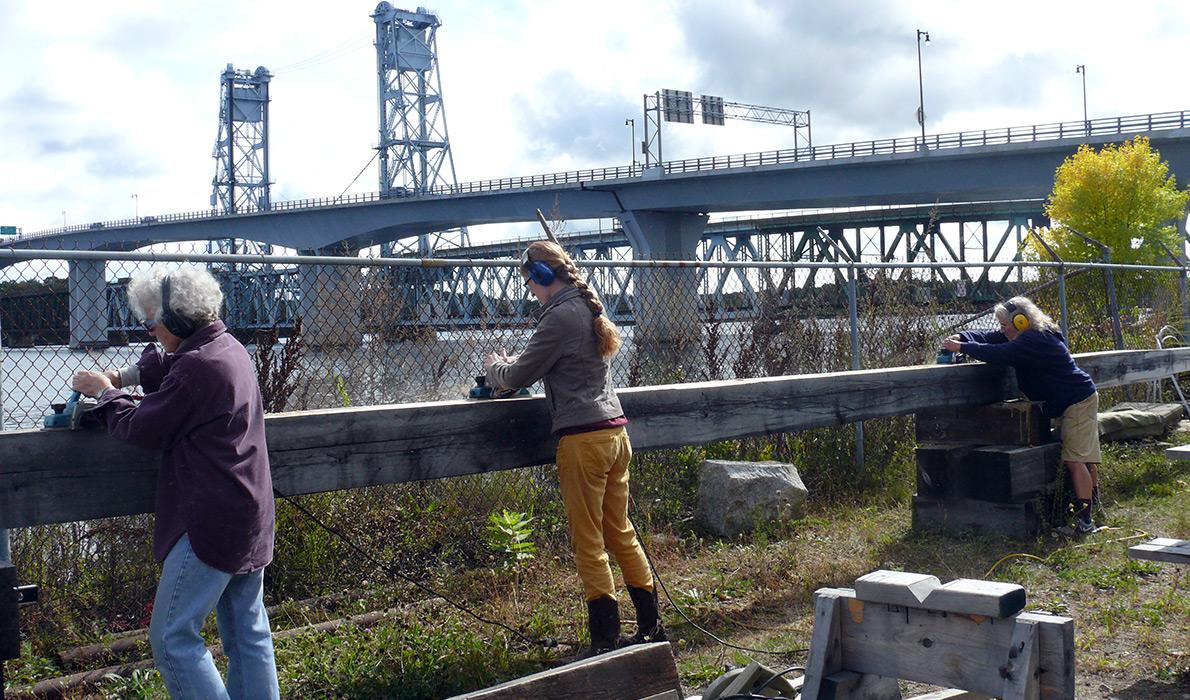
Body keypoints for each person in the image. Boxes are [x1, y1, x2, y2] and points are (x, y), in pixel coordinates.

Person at [72, 266, 279, 699]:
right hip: (249, 512)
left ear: (180, 320)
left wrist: (103, 394)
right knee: (248, 632)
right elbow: (170, 365)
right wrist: (123, 379)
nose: (151, 333)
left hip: (210, 524)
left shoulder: (199, 367)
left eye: (153, 324)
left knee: (173, 639)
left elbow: (142, 427)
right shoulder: (229, 349)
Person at [483, 241, 665, 656]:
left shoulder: (558, 317)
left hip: (582, 442)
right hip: (616, 436)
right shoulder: (586, 307)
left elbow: (518, 375)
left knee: (589, 542)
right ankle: (652, 626)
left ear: (545, 277)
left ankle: (605, 640)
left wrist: (495, 366)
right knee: (619, 532)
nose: (529, 290)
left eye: (530, 281)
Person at [943, 296, 1101, 533]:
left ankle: (1086, 522)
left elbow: (1000, 354)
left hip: (1076, 401)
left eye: (1005, 325)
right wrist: (963, 337)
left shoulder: (1034, 340)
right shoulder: (1026, 334)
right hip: (1076, 399)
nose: (1002, 330)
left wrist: (963, 348)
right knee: (1083, 456)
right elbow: (991, 339)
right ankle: (1093, 507)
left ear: (1021, 321)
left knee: (1076, 460)